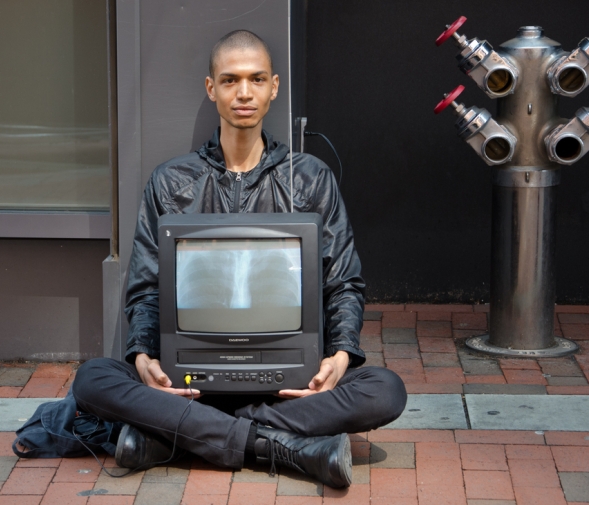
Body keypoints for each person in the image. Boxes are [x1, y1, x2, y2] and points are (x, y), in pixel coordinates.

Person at [72, 29, 407, 488]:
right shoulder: (171, 181)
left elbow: (343, 282)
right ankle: (274, 444)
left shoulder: (310, 178)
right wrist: (144, 354)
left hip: (289, 382)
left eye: (255, 79)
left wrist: (342, 355)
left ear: (274, 87)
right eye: (230, 80)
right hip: (191, 382)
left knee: (385, 390)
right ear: (212, 89)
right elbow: (147, 286)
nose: (243, 93)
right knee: (93, 379)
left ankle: (173, 437)